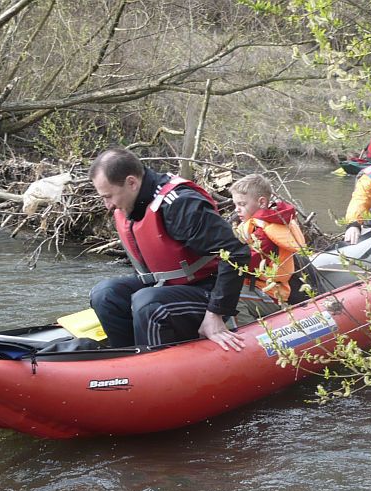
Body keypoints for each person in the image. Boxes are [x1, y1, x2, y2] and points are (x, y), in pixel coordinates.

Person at [88, 147, 250, 351]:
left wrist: (215, 314)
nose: (107, 205)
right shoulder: (131, 204)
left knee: (147, 303)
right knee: (104, 294)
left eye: (109, 196)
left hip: (207, 291)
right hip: (164, 287)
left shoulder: (181, 205)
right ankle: (125, 363)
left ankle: (153, 372)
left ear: (132, 182)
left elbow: (237, 253)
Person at [229, 174, 307, 324]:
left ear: (262, 202)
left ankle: (247, 337)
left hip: (271, 294)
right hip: (259, 288)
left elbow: (248, 264)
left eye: (242, 204)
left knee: (230, 297)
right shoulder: (266, 222)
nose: (237, 210)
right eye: (235, 205)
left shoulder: (264, 232)